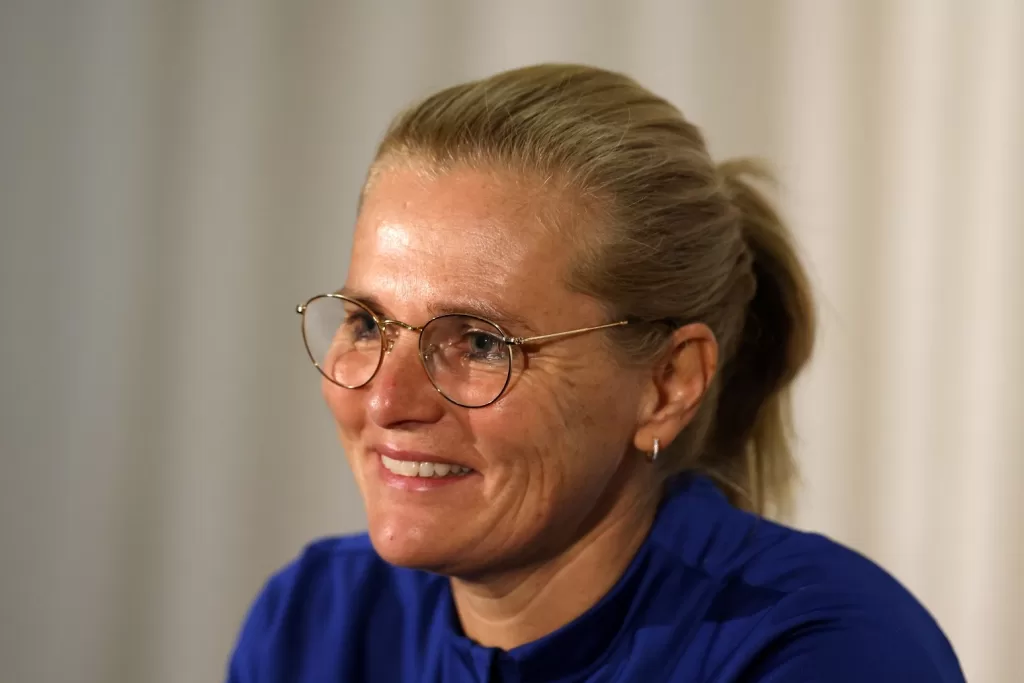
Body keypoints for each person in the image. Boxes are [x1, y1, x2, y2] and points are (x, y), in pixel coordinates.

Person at [227, 64, 964, 682]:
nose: (387, 399)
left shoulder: (828, 652)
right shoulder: (315, 622)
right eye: (367, 323)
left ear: (667, 385)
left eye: (480, 342)